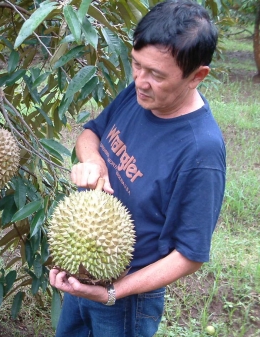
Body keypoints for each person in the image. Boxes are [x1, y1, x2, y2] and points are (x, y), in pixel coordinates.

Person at [49, 0, 226, 336]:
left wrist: (114, 291)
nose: (141, 81)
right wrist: (94, 161)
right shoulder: (139, 93)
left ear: (197, 76)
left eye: (156, 75)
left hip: (129, 297)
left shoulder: (201, 152)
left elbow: (191, 255)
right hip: (81, 271)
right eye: (136, 65)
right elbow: (91, 133)